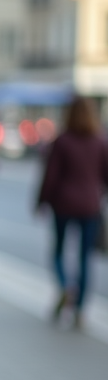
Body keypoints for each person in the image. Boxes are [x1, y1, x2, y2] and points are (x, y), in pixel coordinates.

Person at [35, 96, 108, 329]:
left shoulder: (62, 141)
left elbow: (50, 176)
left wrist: (41, 201)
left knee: (58, 250)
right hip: (90, 206)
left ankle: (66, 287)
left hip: (63, 205)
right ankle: (79, 311)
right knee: (85, 258)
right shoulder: (100, 141)